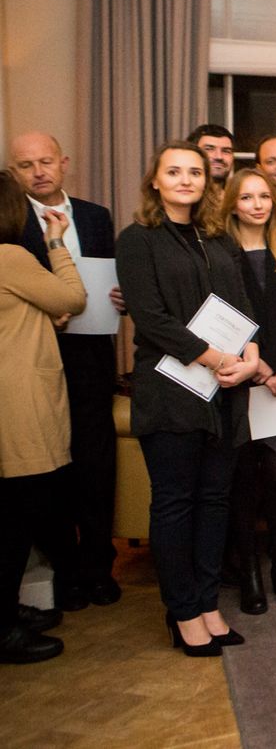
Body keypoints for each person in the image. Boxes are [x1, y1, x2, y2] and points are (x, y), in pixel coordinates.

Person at [116, 142, 259, 656]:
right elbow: (151, 318)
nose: (185, 180)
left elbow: (243, 306)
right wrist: (218, 358)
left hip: (224, 391)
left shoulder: (217, 238)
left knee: (215, 501)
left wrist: (250, 356)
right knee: (175, 504)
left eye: (194, 172)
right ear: (155, 181)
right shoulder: (137, 239)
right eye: (173, 171)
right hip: (170, 390)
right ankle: (181, 612)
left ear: (206, 182)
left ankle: (207, 603)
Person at [9, 131, 124, 608]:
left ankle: (98, 566)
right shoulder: (9, 223)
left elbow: (110, 275)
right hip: (37, 358)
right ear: (14, 173)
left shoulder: (96, 216)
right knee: (50, 470)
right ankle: (66, 570)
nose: (38, 172)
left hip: (93, 355)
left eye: (46, 161)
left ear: (64, 162)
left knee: (97, 465)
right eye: (26, 165)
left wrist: (123, 296)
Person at [213, 169, 276, 613]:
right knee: (243, 481)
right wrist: (258, 368)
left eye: (264, 197)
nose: (257, 205)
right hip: (235, 379)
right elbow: (220, 319)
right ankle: (250, 571)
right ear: (232, 204)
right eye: (247, 197)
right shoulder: (218, 255)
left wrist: (274, 365)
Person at [0, 173, 86, 664]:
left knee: (13, 513)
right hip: (19, 403)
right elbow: (73, 297)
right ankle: (3, 629)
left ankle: (7, 610)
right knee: (16, 519)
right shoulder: (11, 257)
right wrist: (56, 242)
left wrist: (39, 313)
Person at [188, 124, 235, 202]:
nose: (219, 157)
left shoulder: (238, 202)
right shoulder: (183, 199)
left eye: (226, 151)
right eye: (209, 149)